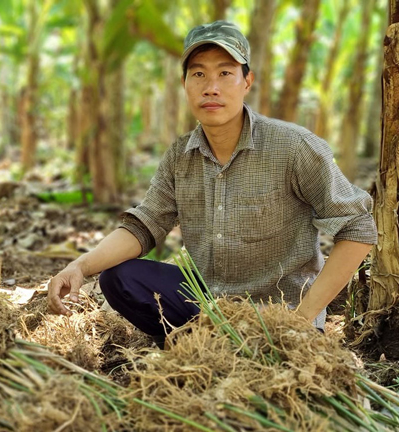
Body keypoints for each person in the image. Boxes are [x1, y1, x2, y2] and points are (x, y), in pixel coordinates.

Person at [47, 20, 377, 346]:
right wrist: (79, 266)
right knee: (120, 278)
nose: (211, 87)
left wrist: (302, 319)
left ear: (247, 81)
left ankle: (228, 350)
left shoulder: (293, 146)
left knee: (268, 357)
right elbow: (145, 225)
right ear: (185, 84)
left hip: (280, 318)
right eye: (199, 74)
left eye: (225, 73)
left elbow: (358, 227)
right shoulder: (180, 156)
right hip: (208, 306)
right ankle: (197, 347)